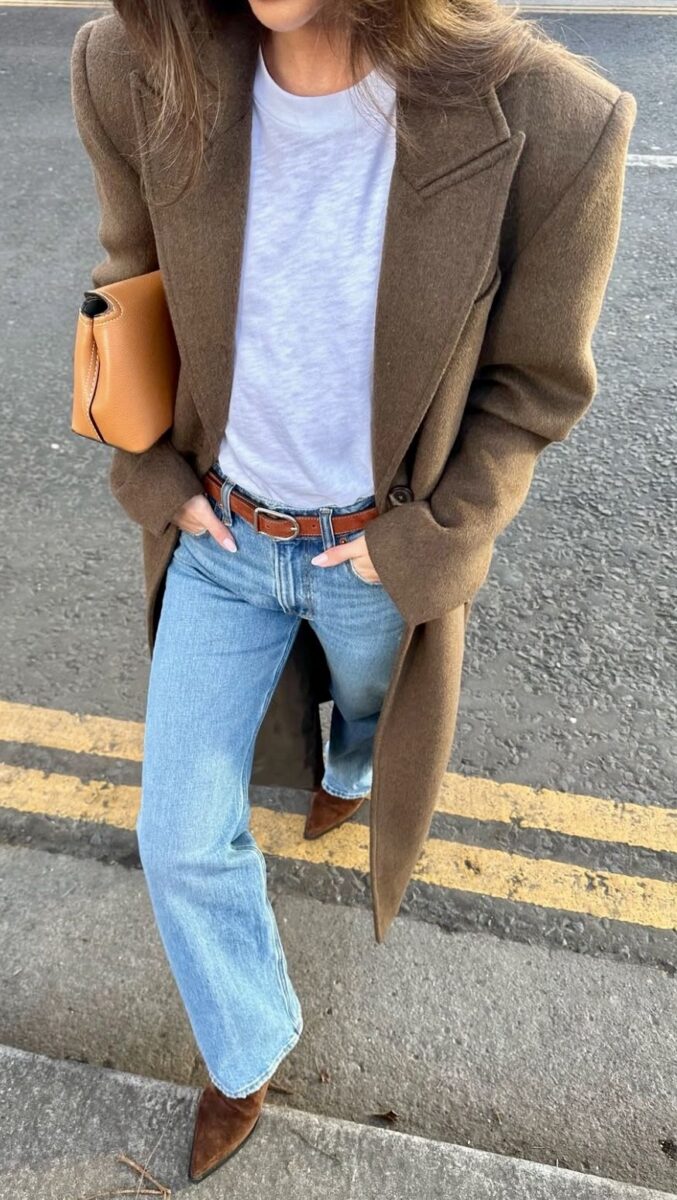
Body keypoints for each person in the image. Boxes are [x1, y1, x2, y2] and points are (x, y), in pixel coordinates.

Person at [70, 0, 636, 1182]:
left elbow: (536, 387)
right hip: (220, 538)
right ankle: (245, 1043)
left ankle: (347, 768)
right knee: (175, 834)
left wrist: (429, 541)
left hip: (380, 551)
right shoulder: (135, 64)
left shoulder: (552, 117)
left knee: (370, 723)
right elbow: (131, 281)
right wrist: (150, 468)